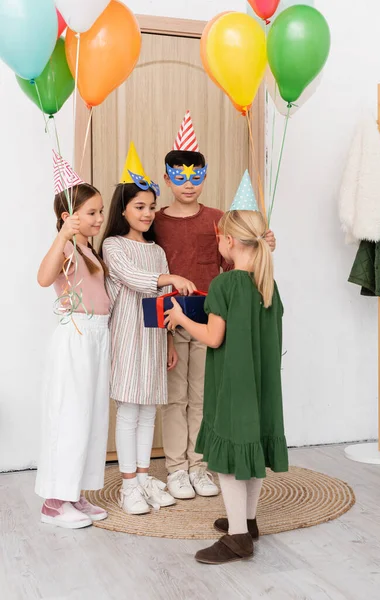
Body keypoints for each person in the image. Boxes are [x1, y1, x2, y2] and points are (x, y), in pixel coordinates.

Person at [165, 172, 288, 564]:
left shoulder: (225, 284)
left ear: (229, 241)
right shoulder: (267, 282)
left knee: (234, 460)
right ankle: (248, 522)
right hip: (262, 383)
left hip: (234, 385)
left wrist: (181, 320)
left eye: (218, 237)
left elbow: (214, 337)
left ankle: (238, 538)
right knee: (251, 452)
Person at [154, 111, 277, 500]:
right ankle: (175, 467)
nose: (188, 184)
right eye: (179, 176)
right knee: (175, 396)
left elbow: (233, 263)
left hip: (213, 318)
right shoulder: (156, 222)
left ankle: (199, 464)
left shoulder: (219, 220)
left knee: (205, 394)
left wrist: (262, 245)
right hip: (173, 320)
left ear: (204, 177)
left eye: (195, 176)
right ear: (167, 177)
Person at [101, 143, 197, 514]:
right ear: (123, 209)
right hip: (127, 338)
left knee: (147, 413)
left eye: (151, 207)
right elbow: (135, 279)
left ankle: (142, 478)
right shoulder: (113, 245)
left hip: (155, 338)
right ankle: (128, 485)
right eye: (139, 206)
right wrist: (170, 276)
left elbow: (162, 300)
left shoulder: (156, 250)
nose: (147, 213)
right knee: (128, 411)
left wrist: (170, 339)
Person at [35, 152, 110, 529]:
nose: (99, 218)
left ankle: (74, 492)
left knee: (91, 416)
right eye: (92, 213)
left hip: (97, 336)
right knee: (70, 414)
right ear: (68, 217)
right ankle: (54, 500)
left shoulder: (89, 249)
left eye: (100, 212)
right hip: (76, 335)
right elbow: (44, 278)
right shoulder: (65, 246)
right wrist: (62, 236)